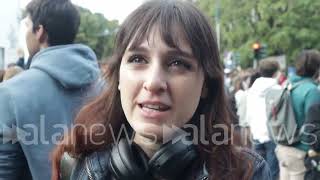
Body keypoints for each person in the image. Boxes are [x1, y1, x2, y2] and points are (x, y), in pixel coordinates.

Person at [52, 1, 271, 180]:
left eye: (177, 63)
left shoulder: (247, 173)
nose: (154, 82)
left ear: (205, 84)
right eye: (138, 59)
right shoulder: (77, 165)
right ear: (118, 76)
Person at [0, 0, 100, 179]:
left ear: (39, 31)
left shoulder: (9, 93)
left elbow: (5, 170)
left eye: (27, 25)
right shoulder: (108, 86)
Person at [275, 50, 320, 180]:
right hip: (300, 150)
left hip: (283, 147)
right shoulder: (311, 90)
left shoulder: (289, 84)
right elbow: (313, 124)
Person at [246, 58, 281, 179]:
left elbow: (249, 112)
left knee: (258, 171)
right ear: (276, 72)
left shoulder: (252, 90)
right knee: (273, 171)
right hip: (273, 134)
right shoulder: (278, 90)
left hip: (256, 132)